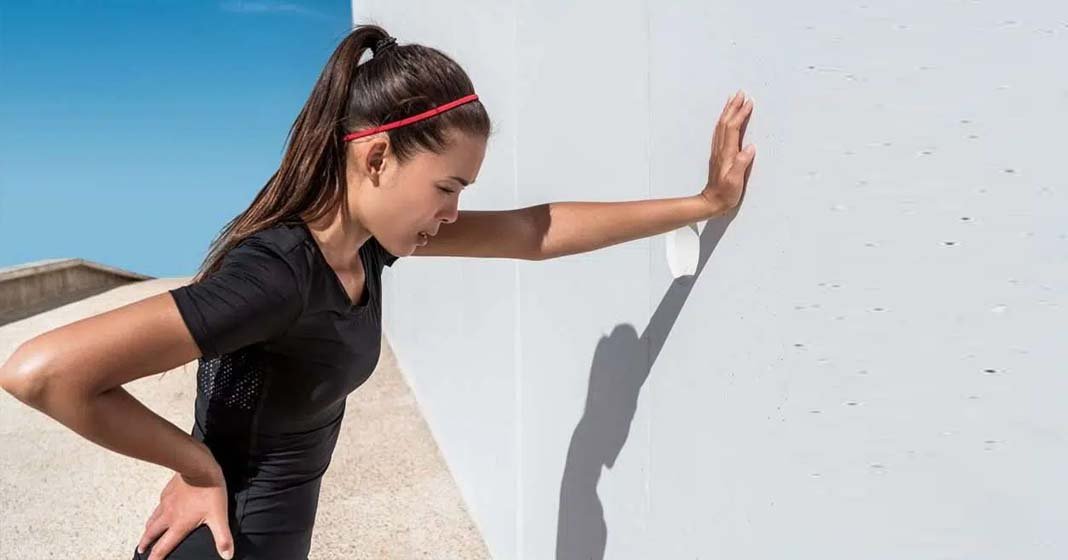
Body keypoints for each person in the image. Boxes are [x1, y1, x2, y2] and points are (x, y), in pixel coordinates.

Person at [0, 23, 755, 560]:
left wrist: (704, 202)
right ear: (377, 158)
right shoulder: (279, 273)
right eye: (447, 187)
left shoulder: (367, 248)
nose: (453, 213)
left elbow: (534, 231)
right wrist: (197, 466)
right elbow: (41, 372)